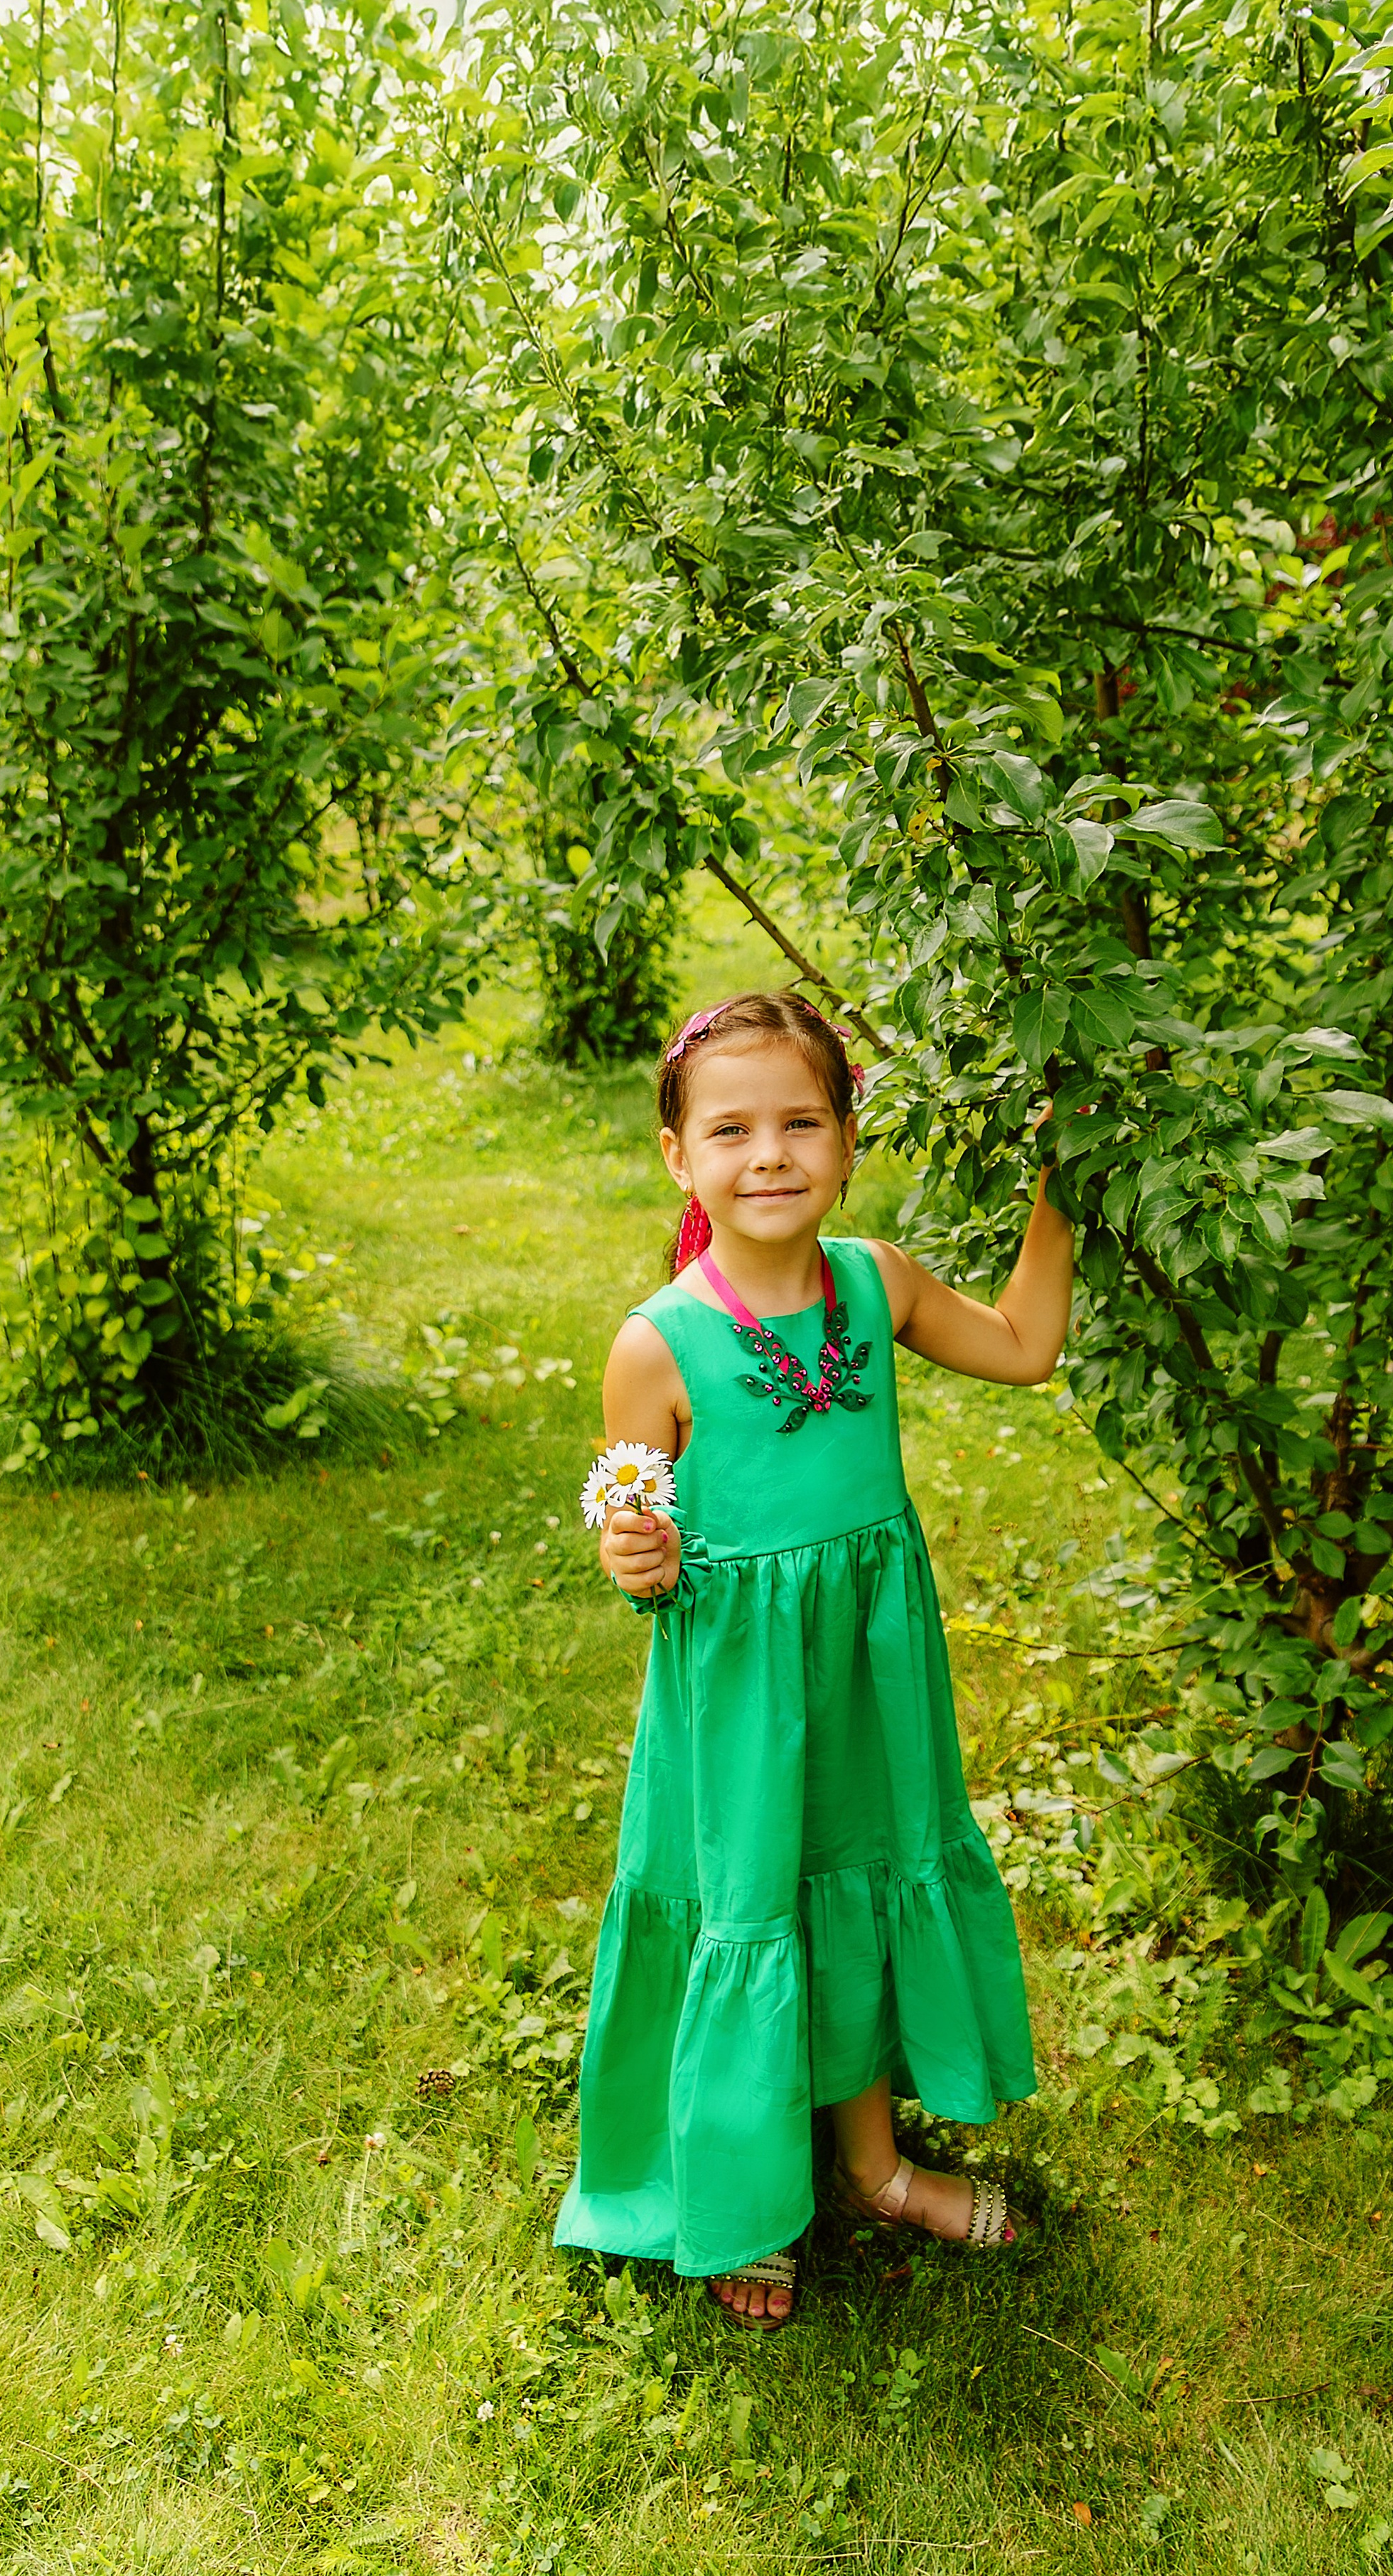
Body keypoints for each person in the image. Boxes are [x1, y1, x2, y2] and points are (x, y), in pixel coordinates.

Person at [554, 990, 1074, 2329]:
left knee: (850, 1893)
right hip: (740, 1694)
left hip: (869, 1676)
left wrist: (1064, 1195)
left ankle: (877, 2170)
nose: (769, 1154)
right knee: (754, 1906)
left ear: (848, 1139)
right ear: (680, 1157)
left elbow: (1022, 1349)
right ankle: (738, 2205)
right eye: (731, 1129)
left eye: (801, 1122)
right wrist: (638, 1557)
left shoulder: (876, 1281)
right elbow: (638, 1523)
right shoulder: (658, 1341)